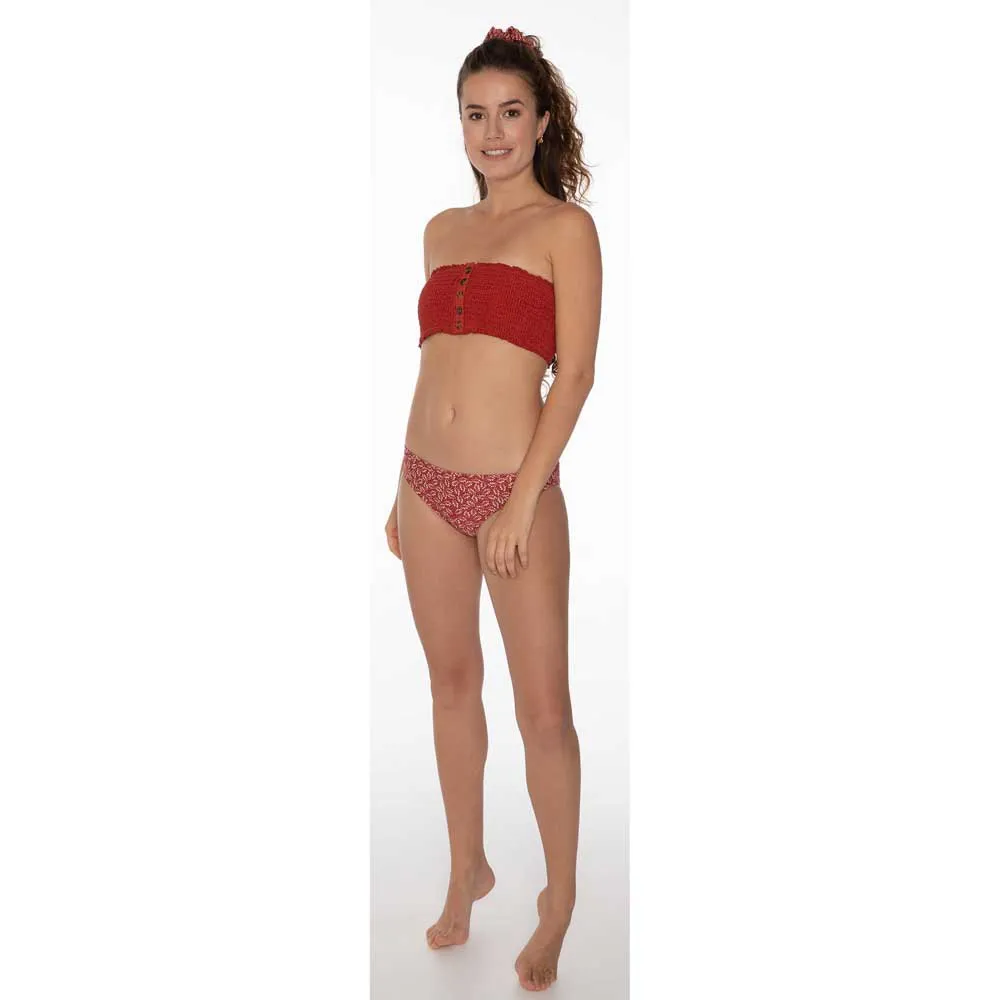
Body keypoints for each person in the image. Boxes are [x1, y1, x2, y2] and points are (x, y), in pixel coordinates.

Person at [384, 25, 602, 993]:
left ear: (542, 120)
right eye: (476, 115)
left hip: (517, 490)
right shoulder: (441, 230)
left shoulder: (565, 229)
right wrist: (399, 487)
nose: (494, 132)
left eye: (512, 112)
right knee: (449, 686)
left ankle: (559, 901)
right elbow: (435, 367)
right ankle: (466, 869)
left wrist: (519, 500)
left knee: (544, 711)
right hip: (425, 484)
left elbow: (575, 375)